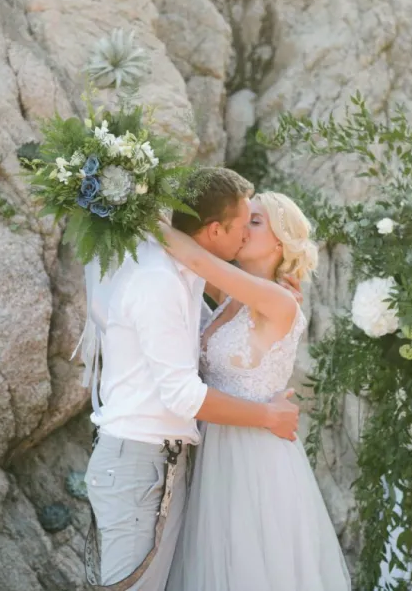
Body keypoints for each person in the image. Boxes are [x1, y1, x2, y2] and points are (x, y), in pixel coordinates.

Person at [82, 168, 301, 591]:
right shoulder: (161, 279)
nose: (244, 234)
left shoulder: (194, 281)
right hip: (141, 458)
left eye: (257, 222)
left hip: (187, 461)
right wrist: (268, 417)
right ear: (216, 228)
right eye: (243, 223)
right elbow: (183, 392)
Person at [161, 191, 352, 591]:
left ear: (281, 241)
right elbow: (192, 255)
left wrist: (142, 215)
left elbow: (195, 258)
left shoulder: (280, 300)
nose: (244, 224)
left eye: (256, 220)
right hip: (215, 448)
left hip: (256, 458)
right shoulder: (230, 296)